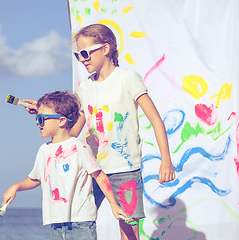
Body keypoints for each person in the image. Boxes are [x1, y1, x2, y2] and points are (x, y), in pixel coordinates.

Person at [23, 24, 176, 240]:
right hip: (91, 170)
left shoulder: (127, 78)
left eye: (85, 53)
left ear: (105, 48)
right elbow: (72, 131)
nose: (82, 59)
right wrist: (44, 114)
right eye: (78, 55)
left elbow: (156, 120)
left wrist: (166, 160)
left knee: (129, 232)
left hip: (126, 169)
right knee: (79, 224)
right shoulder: (84, 87)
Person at [2, 91, 128, 240]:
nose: (37, 122)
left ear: (61, 121)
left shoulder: (80, 148)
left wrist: (114, 205)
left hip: (81, 222)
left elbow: (100, 177)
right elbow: (35, 179)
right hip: (56, 223)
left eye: (41, 118)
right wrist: (15, 187)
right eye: (37, 118)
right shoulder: (44, 150)